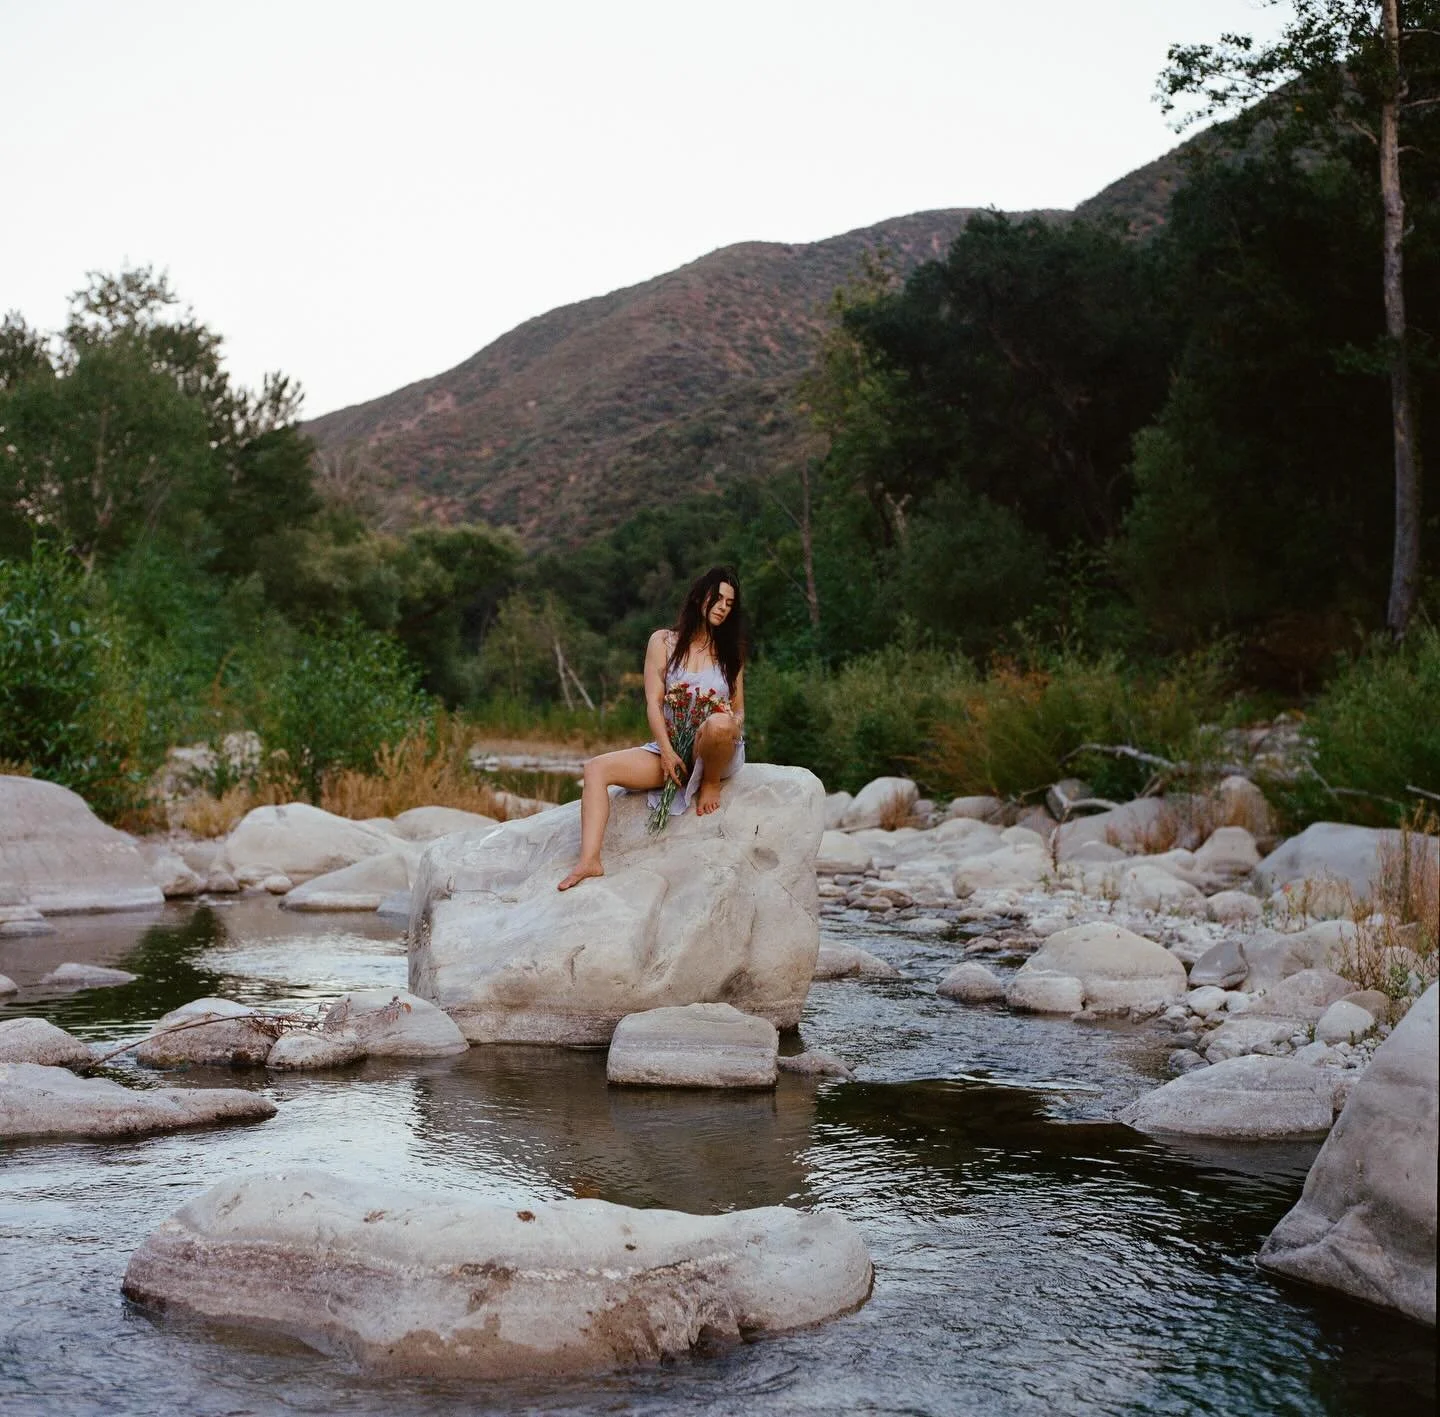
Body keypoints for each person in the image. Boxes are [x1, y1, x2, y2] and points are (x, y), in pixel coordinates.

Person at [557, 566, 747, 890]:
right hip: (670, 748)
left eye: (729, 603)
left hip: (715, 749)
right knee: (595, 769)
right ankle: (590, 861)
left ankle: (710, 783)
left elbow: (739, 709)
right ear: (699, 597)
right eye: (717, 598)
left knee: (718, 724)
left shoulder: (731, 652)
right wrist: (668, 752)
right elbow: (653, 702)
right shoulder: (663, 641)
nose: (722, 607)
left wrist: (731, 721)